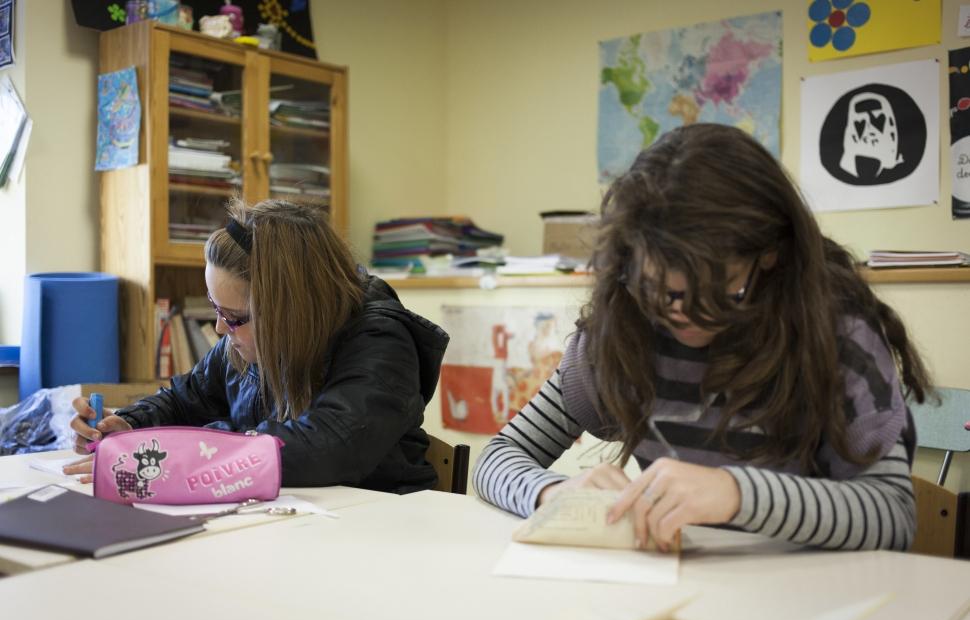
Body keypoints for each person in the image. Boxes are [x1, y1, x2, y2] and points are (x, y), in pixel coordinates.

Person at [473, 123, 930, 552]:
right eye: (660, 291)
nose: (682, 315)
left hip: (808, 599)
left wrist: (736, 493)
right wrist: (551, 492)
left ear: (769, 254)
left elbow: (891, 515)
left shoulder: (835, 334)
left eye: (717, 290)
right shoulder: (625, 326)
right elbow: (498, 458)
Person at [68, 199, 448, 493]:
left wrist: (175, 452)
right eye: (216, 311)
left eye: (232, 317)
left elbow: (325, 449)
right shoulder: (246, 341)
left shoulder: (381, 343)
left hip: (376, 537)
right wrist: (129, 426)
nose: (220, 328)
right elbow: (185, 398)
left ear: (290, 312)